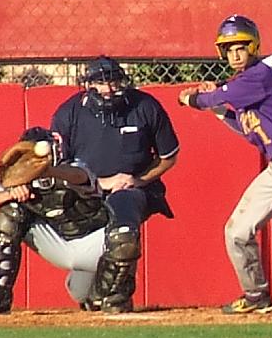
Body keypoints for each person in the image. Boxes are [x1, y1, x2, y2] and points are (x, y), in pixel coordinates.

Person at [178, 15, 272, 316]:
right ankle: (256, 294)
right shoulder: (244, 85)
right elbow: (245, 126)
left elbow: (207, 99)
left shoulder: (259, 77)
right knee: (236, 230)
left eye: (241, 47)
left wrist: (194, 98)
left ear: (254, 47)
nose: (235, 54)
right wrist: (218, 106)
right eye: (229, 48)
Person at [49, 56, 180, 312]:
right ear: (87, 84)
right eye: (100, 82)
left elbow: (168, 156)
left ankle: (118, 296)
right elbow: (59, 169)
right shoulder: (69, 113)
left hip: (131, 191)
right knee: (82, 291)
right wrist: (100, 183)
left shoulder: (144, 106)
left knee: (123, 226)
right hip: (84, 194)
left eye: (114, 82)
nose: (108, 89)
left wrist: (138, 179)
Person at [0, 126, 107, 314]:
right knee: (9, 212)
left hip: (92, 242)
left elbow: (79, 177)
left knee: (89, 293)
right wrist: (10, 194)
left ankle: (114, 293)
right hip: (57, 243)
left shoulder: (74, 167)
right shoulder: (19, 179)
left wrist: (50, 171)